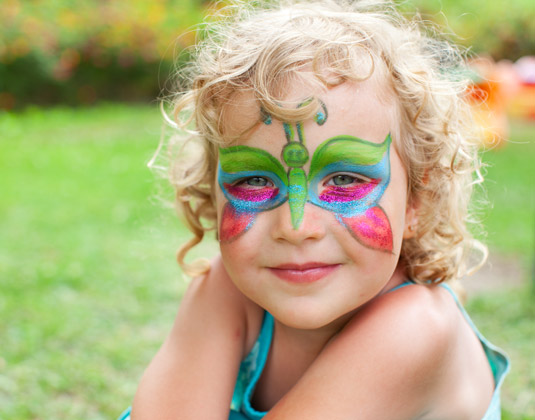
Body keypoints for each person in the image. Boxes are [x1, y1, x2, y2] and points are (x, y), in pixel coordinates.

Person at [120, 0, 509, 418]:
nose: (296, 227)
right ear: (211, 193)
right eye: (254, 179)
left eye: (344, 180)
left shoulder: (416, 327)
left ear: (416, 199)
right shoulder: (228, 287)